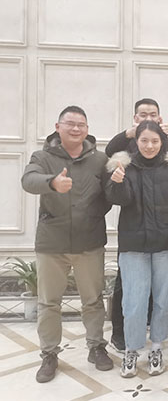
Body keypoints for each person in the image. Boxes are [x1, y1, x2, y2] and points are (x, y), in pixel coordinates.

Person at [22, 106, 113, 383]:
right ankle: (49, 354)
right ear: (57, 127)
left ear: (87, 129)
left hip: (89, 241)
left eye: (81, 125)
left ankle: (96, 347)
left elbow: (110, 194)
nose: (76, 129)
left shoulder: (100, 159)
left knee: (93, 300)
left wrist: (94, 215)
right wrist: (52, 182)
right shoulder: (43, 156)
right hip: (53, 242)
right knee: (49, 302)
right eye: (70, 123)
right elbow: (28, 180)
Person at [105, 121, 168, 378]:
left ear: (162, 141)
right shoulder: (125, 166)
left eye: (155, 141)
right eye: (144, 140)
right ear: (137, 141)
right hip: (134, 247)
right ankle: (131, 350)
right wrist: (117, 182)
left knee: (163, 301)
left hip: (167, 245)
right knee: (134, 302)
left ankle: (156, 348)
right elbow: (119, 199)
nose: (150, 146)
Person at [105, 98, 168, 352]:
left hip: (161, 235)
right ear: (135, 118)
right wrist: (130, 133)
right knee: (128, 290)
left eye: (153, 114)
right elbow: (110, 150)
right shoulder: (126, 149)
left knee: (159, 292)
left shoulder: (163, 143)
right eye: (143, 114)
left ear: (159, 117)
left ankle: (154, 338)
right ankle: (121, 334)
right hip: (134, 236)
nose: (148, 118)